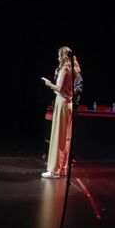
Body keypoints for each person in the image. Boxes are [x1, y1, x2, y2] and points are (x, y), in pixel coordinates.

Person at [41, 46, 80, 179]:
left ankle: (54, 171)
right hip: (67, 103)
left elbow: (59, 87)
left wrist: (48, 84)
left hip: (62, 102)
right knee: (65, 136)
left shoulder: (65, 69)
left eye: (59, 55)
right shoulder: (72, 69)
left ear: (63, 56)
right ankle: (62, 167)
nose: (58, 58)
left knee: (58, 136)